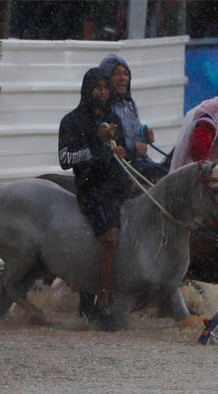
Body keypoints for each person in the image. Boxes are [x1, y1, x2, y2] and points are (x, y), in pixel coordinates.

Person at [58, 67, 130, 331]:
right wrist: (97, 144)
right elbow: (65, 159)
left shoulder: (114, 119)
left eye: (105, 88)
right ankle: (104, 301)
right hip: (91, 189)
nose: (102, 92)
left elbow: (119, 153)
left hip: (117, 186)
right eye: (97, 88)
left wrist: (123, 152)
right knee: (110, 239)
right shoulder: (72, 121)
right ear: (88, 90)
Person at [98, 53, 160, 180]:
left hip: (141, 163)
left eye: (126, 74)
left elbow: (133, 135)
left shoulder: (130, 105)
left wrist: (144, 136)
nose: (123, 78)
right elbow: (104, 144)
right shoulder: (102, 108)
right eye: (116, 73)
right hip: (120, 170)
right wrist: (133, 148)